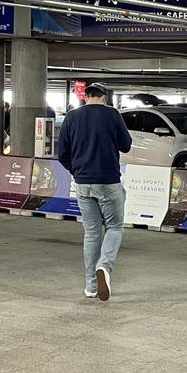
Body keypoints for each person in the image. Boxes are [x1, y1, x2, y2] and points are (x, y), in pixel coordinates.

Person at [56, 83, 132, 301]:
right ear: (104, 98)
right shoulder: (112, 114)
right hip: (108, 181)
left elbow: (63, 153)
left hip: (82, 183)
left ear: (85, 97)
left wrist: (77, 170)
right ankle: (104, 266)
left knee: (91, 232)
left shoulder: (71, 117)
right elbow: (126, 145)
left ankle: (90, 286)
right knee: (115, 227)